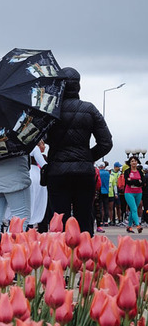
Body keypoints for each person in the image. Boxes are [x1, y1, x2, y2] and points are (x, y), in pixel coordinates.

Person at [43, 67, 112, 234]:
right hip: (84, 172)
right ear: (78, 86)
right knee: (84, 217)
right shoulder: (89, 109)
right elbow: (106, 142)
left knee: (58, 218)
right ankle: (84, 256)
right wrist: (87, 157)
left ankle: (61, 256)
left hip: (57, 171)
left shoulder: (50, 110)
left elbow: (44, 137)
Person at [121, 155, 143, 233]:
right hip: (129, 192)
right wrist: (137, 181)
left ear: (137, 162)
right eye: (132, 161)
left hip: (138, 193)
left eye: (135, 161)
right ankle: (138, 225)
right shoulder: (127, 171)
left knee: (133, 210)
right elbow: (128, 182)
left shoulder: (140, 171)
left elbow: (143, 182)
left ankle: (129, 226)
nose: (134, 162)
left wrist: (133, 181)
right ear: (130, 163)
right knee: (134, 209)